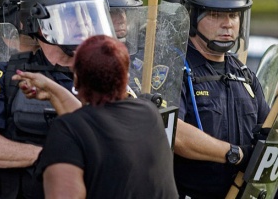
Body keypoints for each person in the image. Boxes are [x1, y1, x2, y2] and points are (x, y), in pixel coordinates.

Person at [0, 0, 115, 199]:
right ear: (40, 25)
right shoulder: (6, 75)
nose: (83, 24)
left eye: (88, 15)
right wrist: (48, 156)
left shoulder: (108, 75)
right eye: (72, 16)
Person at [12, 35, 179, 198]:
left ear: (76, 80)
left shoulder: (67, 129)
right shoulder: (149, 113)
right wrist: (52, 90)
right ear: (125, 78)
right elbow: (92, 128)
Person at [174, 0, 270, 198]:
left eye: (233, 14)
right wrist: (234, 153)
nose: (228, 23)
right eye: (216, 14)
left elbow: (267, 137)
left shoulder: (245, 75)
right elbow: (174, 134)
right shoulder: (175, 69)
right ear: (192, 16)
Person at [71, 0, 144, 94]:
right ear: (83, 15)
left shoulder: (129, 63)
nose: (123, 18)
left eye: (125, 10)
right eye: (112, 11)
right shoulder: (68, 70)